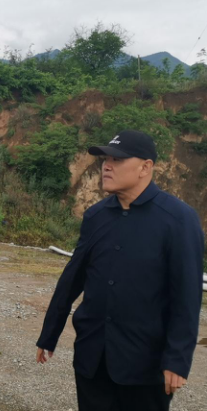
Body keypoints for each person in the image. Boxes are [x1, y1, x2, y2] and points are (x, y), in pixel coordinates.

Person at [35, 130, 204, 411]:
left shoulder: (178, 220)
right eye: (105, 160)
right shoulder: (96, 216)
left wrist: (177, 359)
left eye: (117, 160)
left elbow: (187, 296)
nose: (107, 166)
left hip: (144, 366)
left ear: (145, 167)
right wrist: (49, 333)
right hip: (92, 359)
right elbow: (73, 278)